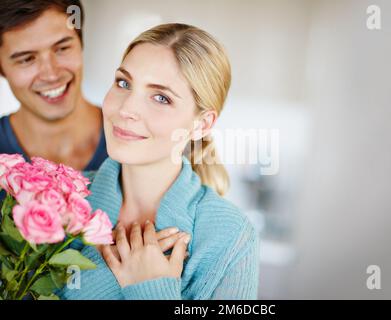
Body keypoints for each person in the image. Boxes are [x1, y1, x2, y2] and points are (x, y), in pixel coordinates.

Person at [59, 23, 259, 300]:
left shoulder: (231, 237)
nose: (127, 108)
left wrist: (151, 290)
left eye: (161, 97)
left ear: (201, 124)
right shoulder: (56, 198)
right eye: (123, 83)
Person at [0, 0, 107, 172]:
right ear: (2, 68)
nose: (51, 74)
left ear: (81, 44)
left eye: (62, 48)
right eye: (27, 59)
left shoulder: (140, 143)